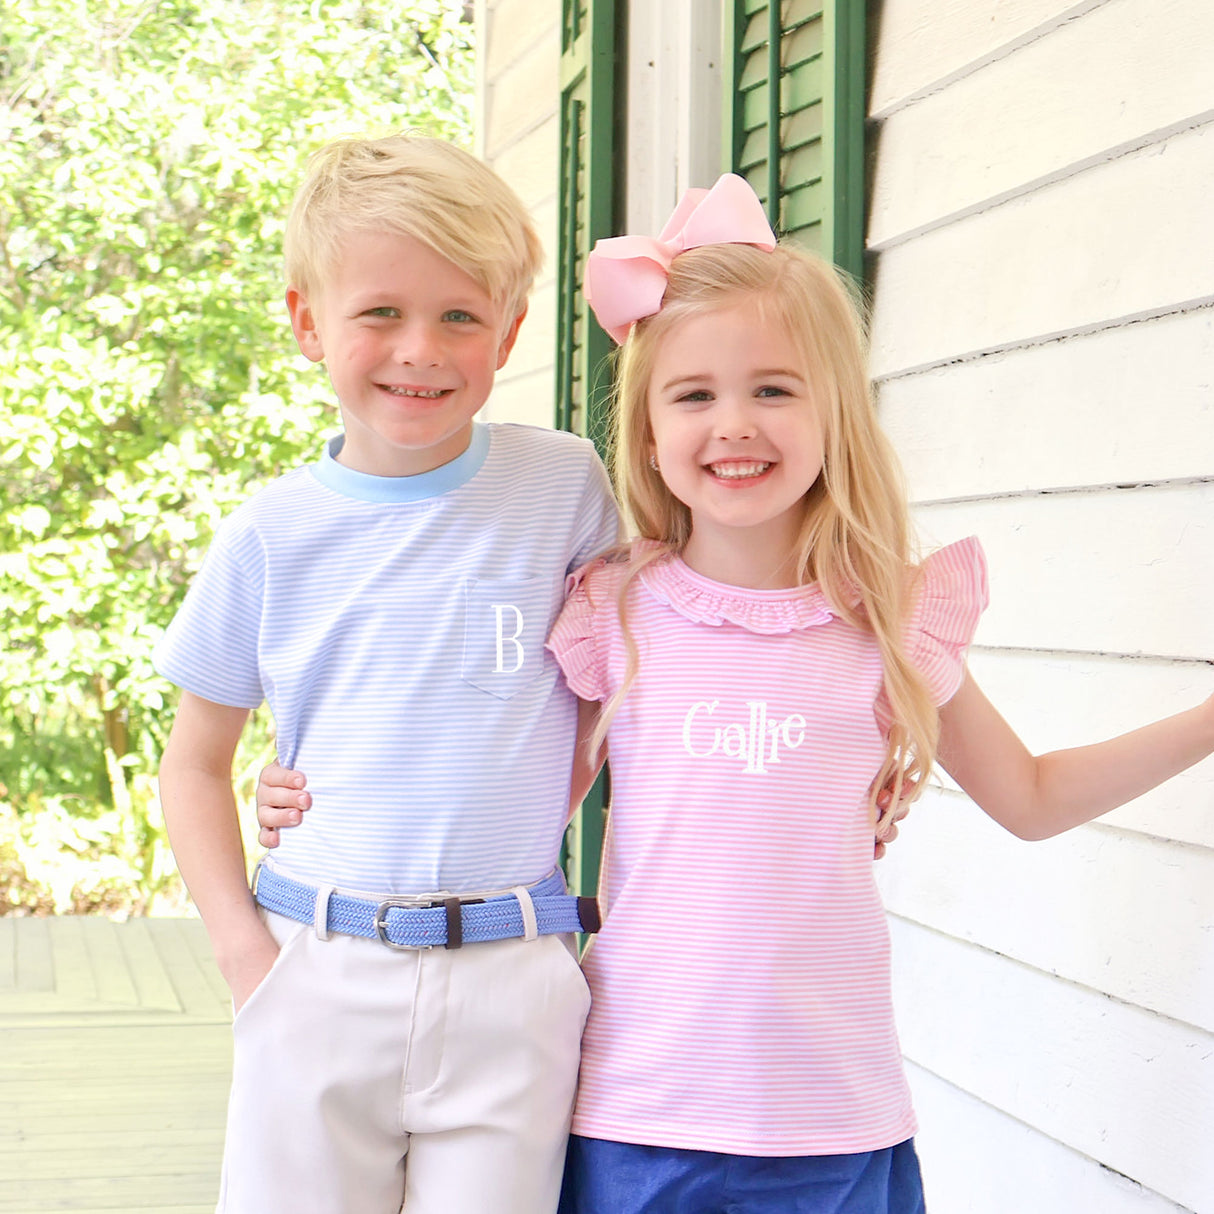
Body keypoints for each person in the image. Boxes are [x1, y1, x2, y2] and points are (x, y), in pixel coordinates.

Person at [255, 173, 1214, 1213]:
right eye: (694, 394)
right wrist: (317, 790)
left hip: (831, 1119)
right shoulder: (611, 611)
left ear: (832, 408)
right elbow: (493, 771)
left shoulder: (890, 615)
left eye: (773, 387)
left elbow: (1029, 796)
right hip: (636, 1112)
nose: (734, 424)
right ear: (651, 426)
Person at [154, 133, 620, 1214]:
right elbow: (192, 765)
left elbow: (628, 677)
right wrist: (244, 956)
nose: (421, 347)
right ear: (307, 320)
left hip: (513, 970)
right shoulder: (272, 536)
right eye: (379, 313)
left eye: (460, 315)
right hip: (316, 966)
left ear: (507, 331)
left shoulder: (561, 486)